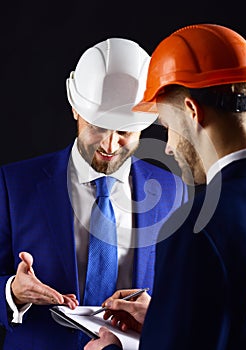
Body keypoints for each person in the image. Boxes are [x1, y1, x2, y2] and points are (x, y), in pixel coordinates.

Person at [85, 24, 246, 350]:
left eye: (167, 126)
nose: (168, 147)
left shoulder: (198, 228)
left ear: (192, 112)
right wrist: (167, 321)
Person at [0, 37, 189, 349]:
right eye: (98, 127)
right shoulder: (13, 185)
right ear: (76, 109)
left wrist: (157, 312)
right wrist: (11, 291)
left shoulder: (175, 192)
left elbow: (189, 297)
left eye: (125, 132)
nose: (109, 145)